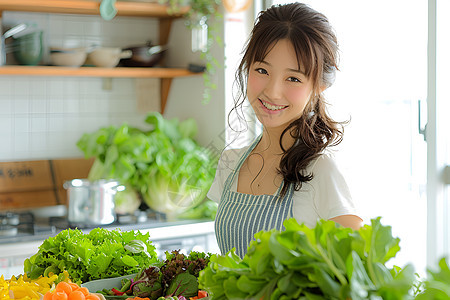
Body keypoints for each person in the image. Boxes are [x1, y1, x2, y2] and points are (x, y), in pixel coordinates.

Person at [207, 2, 363, 258]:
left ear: (318, 87)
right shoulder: (230, 162)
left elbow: (356, 272)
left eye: (293, 78)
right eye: (262, 70)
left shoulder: (319, 171)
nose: (272, 91)